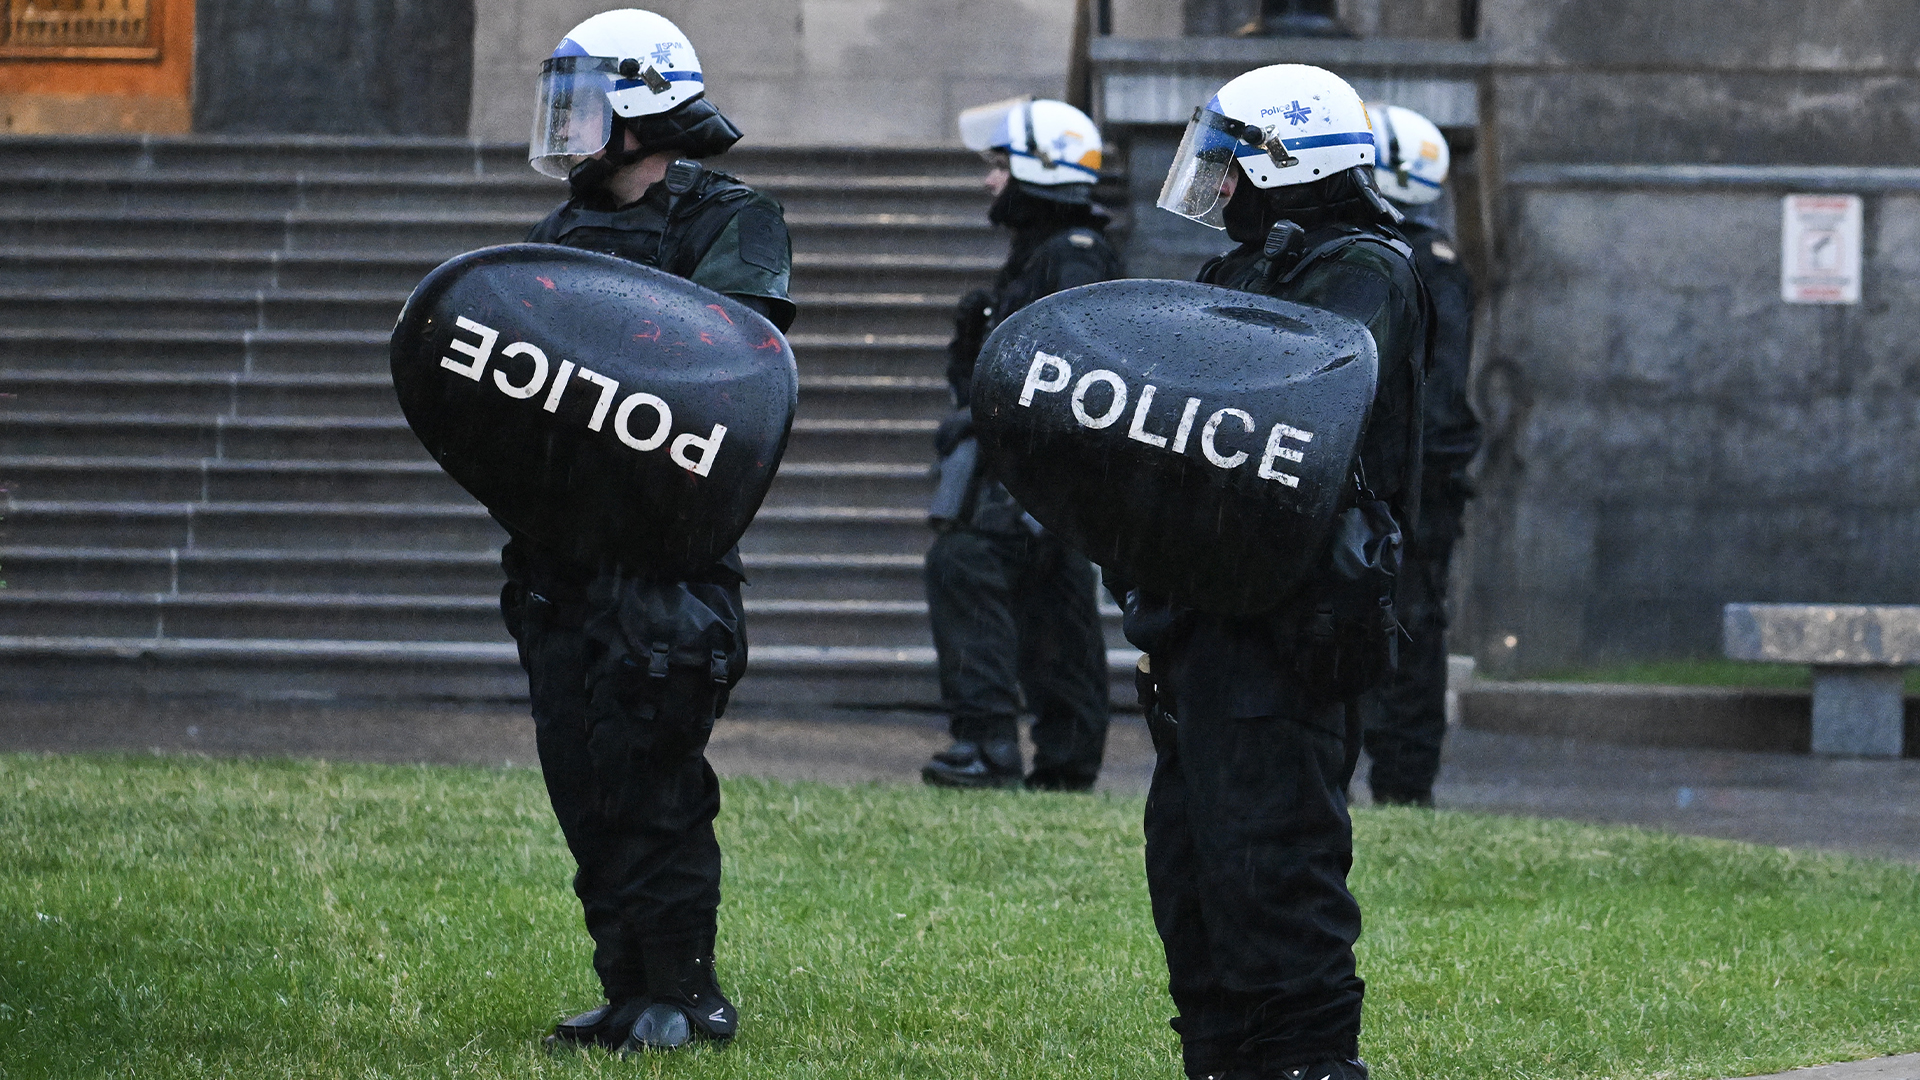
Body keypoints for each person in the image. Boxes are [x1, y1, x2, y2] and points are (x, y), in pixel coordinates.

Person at [1128, 64, 1429, 1079]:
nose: (1215, 183)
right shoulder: (1241, 271)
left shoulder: (1365, 269)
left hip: (1292, 620)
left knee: (1277, 866)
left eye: (1230, 162)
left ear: (1286, 163)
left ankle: (1309, 1063)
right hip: (1206, 617)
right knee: (1192, 868)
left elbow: (1299, 406)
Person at [502, 8, 793, 1054]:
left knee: (656, 782)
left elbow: (721, 370)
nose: (564, 127)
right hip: (558, 557)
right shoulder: (554, 234)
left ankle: (685, 992)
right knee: (580, 778)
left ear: (638, 111)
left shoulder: (734, 221)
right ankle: (625, 986)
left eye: (581, 105)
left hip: (665, 558)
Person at [918, 98, 1124, 792]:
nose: (990, 182)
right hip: (1043, 472)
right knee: (1051, 593)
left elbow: (1062, 376)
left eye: (1001, 166)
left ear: (1038, 171)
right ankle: (1067, 758)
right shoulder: (1050, 255)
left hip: (1033, 468)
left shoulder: (1068, 258)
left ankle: (987, 744)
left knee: (965, 562)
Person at [1357, 103, 1482, 808]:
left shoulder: (1429, 268)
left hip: (1417, 488)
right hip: (1396, 480)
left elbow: (1436, 397)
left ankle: (1405, 783)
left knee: (1411, 629)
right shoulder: (1405, 260)